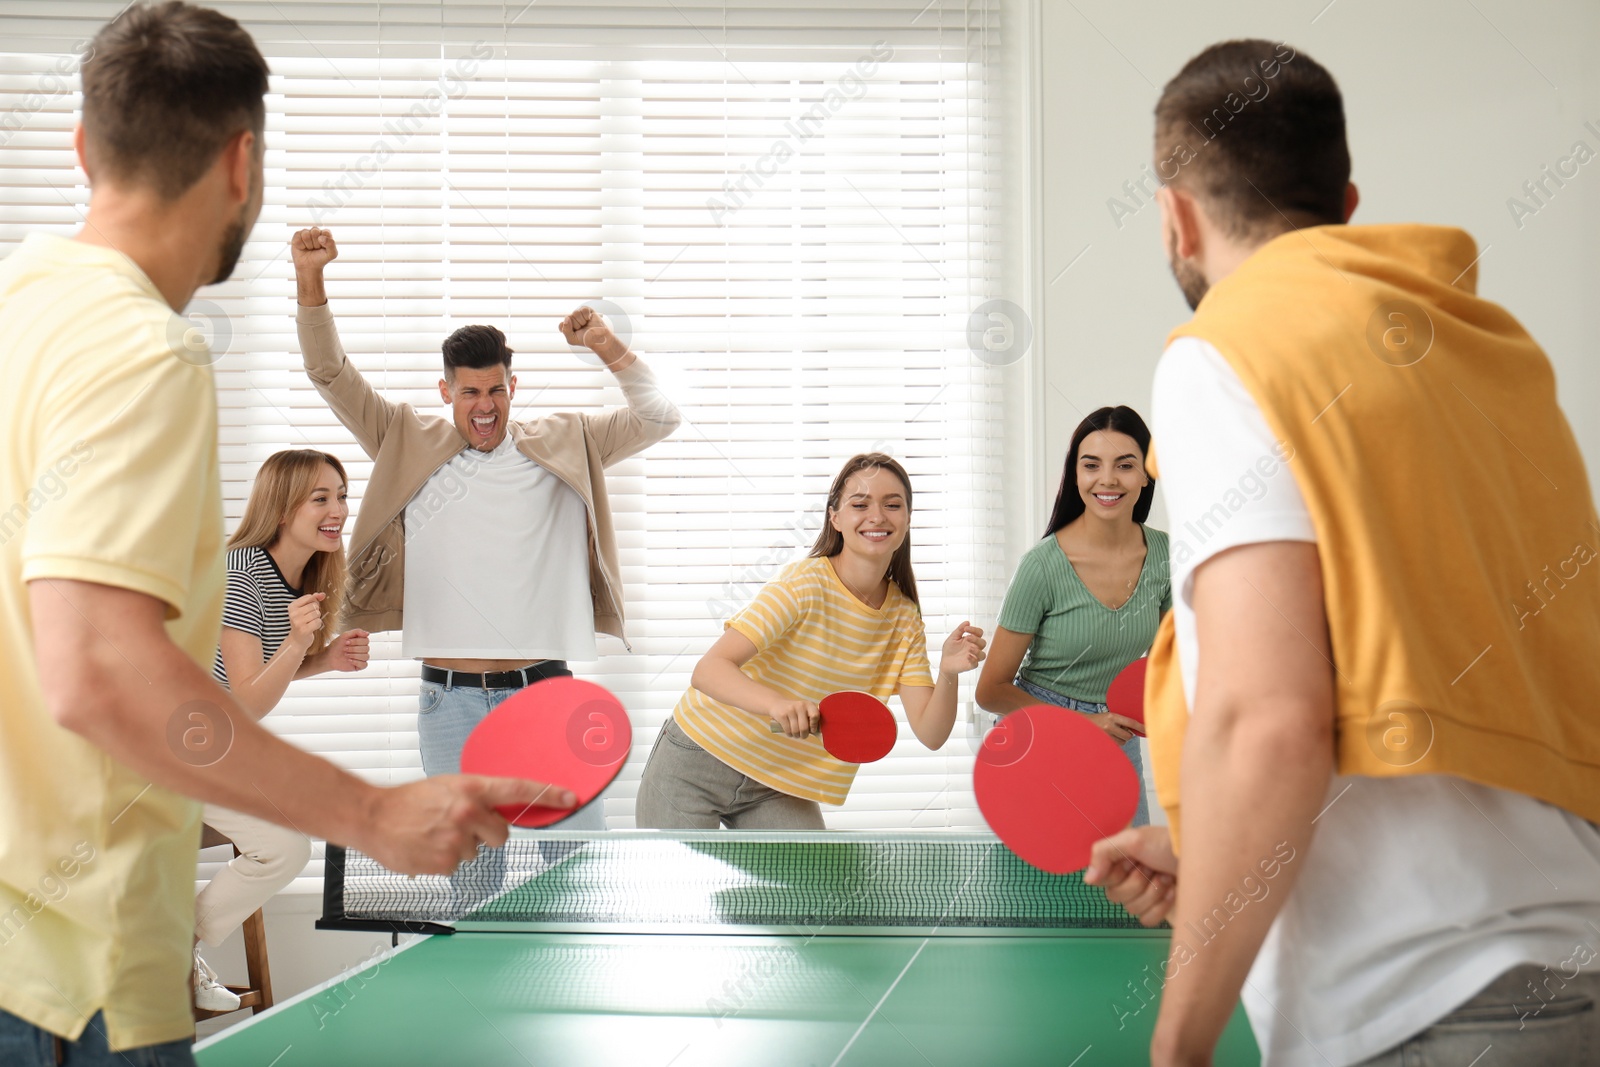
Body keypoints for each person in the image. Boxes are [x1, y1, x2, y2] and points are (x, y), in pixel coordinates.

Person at [0, 6, 572, 1063]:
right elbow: (99, 672)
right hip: (80, 967)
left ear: (83, 148)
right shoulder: (143, 351)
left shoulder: (20, 309)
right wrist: (369, 810)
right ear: (241, 163)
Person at [1082, 39, 1600, 1067]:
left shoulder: (1231, 348)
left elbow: (1272, 720)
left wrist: (1177, 1045)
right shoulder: (1486, 354)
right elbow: (1428, 662)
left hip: (1416, 999)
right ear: (1346, 203)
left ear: (1175, 216)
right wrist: (1208, 836)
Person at [290, 227, 680, 831]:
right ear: (445, 391)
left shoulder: (568, 439)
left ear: (512, 387)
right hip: (451, 703)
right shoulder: (403, 439)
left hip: (547, 695)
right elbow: (329, 373)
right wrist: (310, 279)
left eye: (496, 389)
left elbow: (661, 415)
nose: (485, 406)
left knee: (574, 871)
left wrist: (606, 346)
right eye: (469, 391)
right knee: (473, 880)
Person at [635, 453, 986, 828]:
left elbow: (931, 734)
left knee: (816, 887)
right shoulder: (804, 585)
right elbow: (708, 670)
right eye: (860, 504)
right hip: (697, 758)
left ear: (908, 520)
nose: (878, 516)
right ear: (835, 518)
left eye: (893, 505)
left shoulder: (904, 619)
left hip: (780, 783)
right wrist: (776, 704)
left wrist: (949, 671)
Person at [192, 450, 371, 1012]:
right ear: (281, 507)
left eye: (340, 495)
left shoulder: (295, 576)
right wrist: (299, 646)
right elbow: (245, 701)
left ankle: (173, 946)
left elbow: (252, 678)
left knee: (286, 846)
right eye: (320, 498)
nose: (337, 509)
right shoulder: (241, 572)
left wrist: (322, 659)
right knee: (283, 848)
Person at [975, 406, 1170, 827]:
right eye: (1091, 465)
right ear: (1076, 475)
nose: (1108, 479)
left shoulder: (1166, 556)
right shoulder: (1042, 566)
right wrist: (1083, 724)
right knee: (1031, 891)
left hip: (1116, 728)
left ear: (1146, 475)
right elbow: (990, 691)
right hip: (1035, 730)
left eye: (1125, 464)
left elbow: (1174, 663)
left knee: (1125, 879)